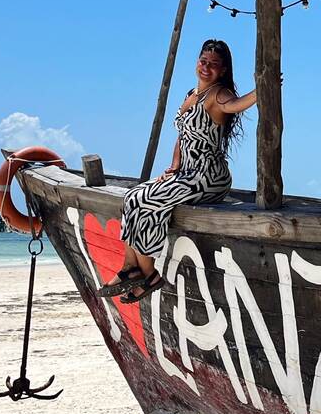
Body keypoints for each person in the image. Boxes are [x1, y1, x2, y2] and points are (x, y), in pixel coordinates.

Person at [98, 38, 257, 302]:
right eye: (203, 61)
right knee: (132, 196)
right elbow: (183, 135)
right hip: (186, 173)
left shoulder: (219, 95)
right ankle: (130, 267)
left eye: (213, 64)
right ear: (197, 62)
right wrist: (174, 166)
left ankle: (149, 274)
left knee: (147, 201)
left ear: (223, 70)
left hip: (207, 176)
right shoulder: (191, 95)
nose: (206, 67)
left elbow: (235, 105)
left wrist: (261, 89)